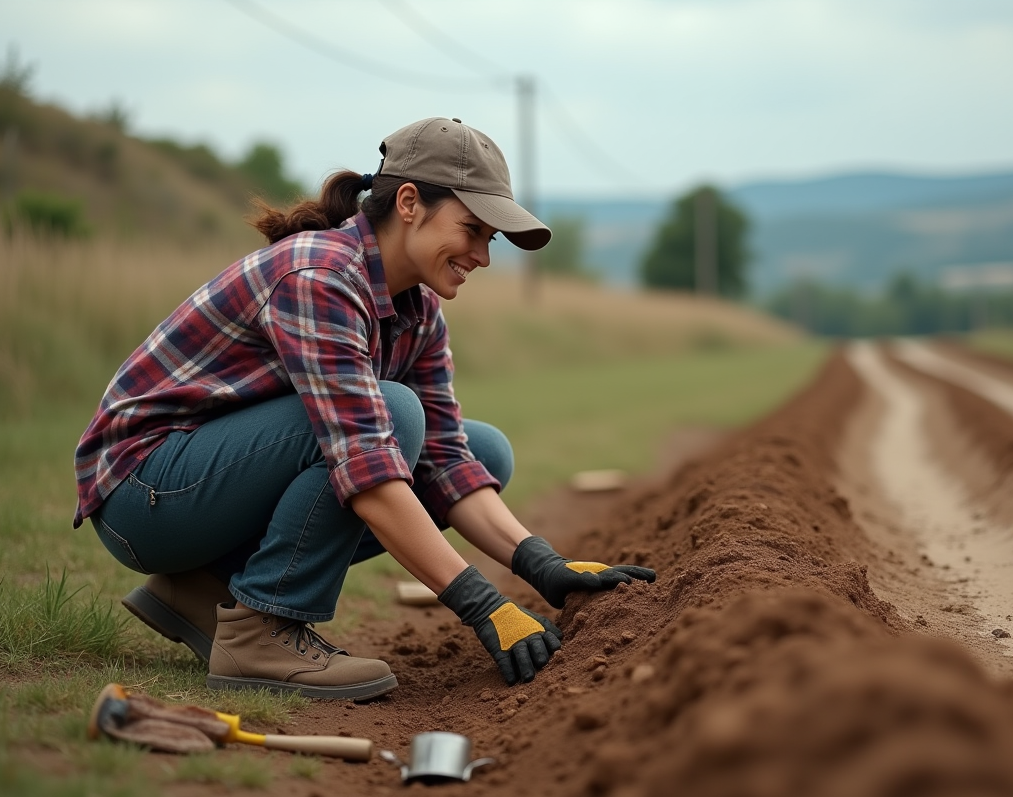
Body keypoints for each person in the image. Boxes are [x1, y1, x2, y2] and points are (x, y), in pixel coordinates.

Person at [73, 117, 656, 700]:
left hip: (209, 486)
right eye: (472, 229)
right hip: (146, 492)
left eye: (490, 240)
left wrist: (542, 565)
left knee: (482, 451)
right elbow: (366, 459)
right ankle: (262, 632)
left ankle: (207, 589)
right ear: (409, 203)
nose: (481, 254)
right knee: (394, 416)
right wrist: (483, 605)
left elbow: (449, 461)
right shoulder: (320, 276)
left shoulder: (419, 309)